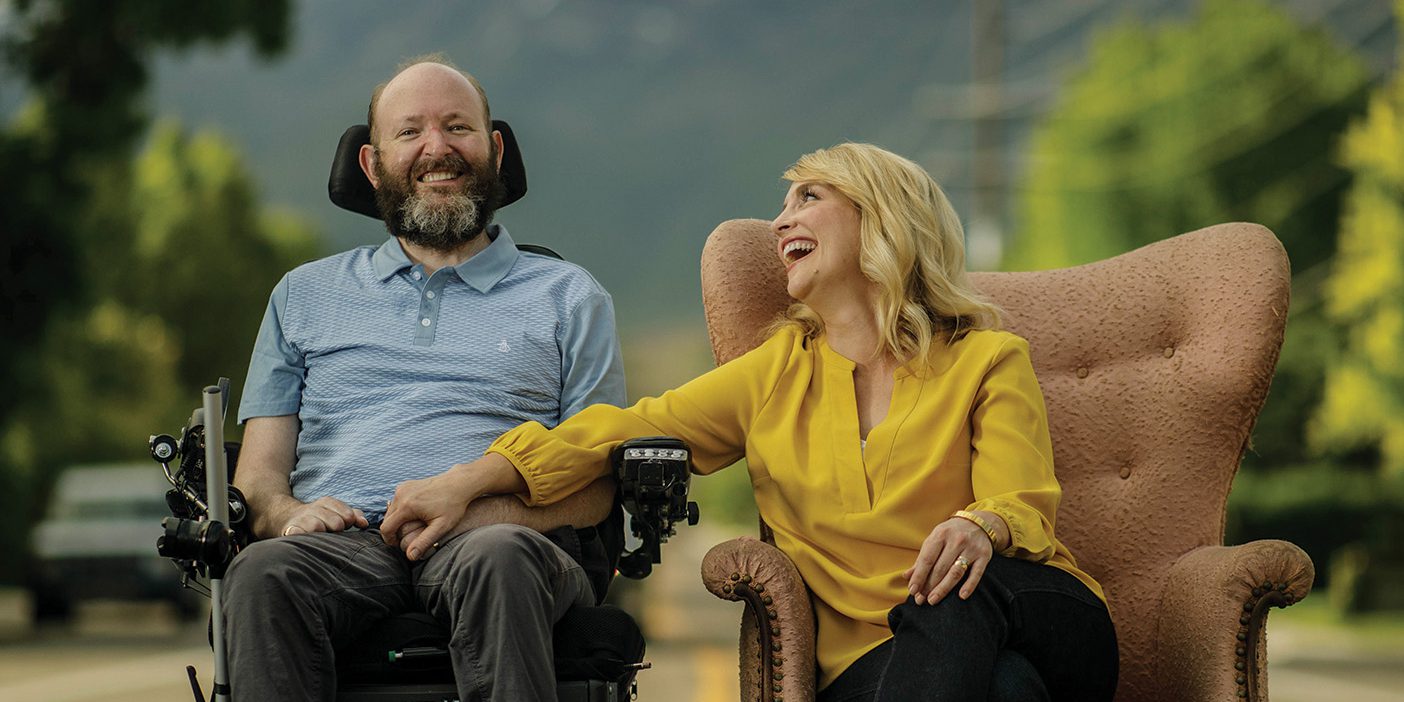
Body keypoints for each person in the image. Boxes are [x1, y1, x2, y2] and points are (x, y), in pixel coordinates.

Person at [382, 142, 1119, 701]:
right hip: (878, 666)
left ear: (881, 217)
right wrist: (467, 479)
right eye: (783, 204)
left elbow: (1022, 505)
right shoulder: (773, 375)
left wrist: (978, 527)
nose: (780, 220)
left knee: (958, 587)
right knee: (1009, 689)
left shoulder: (987, 359)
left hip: (1037, 611)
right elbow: (620, 429)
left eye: (808, 196)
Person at [222, 56, 627, 702]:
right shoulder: (302, 296)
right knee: (261, 572)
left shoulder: (569, 297)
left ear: (494, 149)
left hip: (505, 540)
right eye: (409, 132)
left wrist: (473, 510)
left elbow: (598, 484)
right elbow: (259, 483)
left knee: (499, 559)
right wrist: (292, 513)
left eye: (458, 127)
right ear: (372, 163)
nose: (437, 148)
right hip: (344, 543)